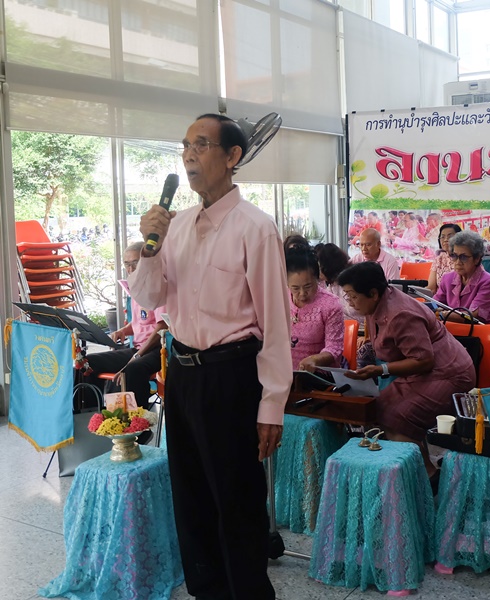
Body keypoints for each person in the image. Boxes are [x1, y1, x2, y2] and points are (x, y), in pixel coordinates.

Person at [130, 113, 292, 599]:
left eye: (201, 145)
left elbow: (276, 324)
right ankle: (208, 591)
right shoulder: (175, 227)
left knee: (237, 500)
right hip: (182, 374)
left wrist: (272, 404)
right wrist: (149, 249)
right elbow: (149, 298)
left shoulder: (256, 228)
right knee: (192, 498)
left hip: (232, 376)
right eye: (185, 146)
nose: (189, 155)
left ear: (232, 156)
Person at [339, 262, 476, 474]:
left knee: (395, 415)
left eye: (353, 296)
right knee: (378, 408)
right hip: (421, 370)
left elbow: (424, 360)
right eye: (347, 296)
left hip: (448, 372)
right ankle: (405, 470)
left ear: (373, 293)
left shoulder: (400, 314)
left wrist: (380, 370)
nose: (350, 302)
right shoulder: (375, 303)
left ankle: (426, 475)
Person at [81, 241, 165, 410]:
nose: (131, 269)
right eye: (127, 264)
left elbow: (162, 327)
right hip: (138, 349)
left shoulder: (159, 287)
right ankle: (92, 414)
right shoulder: (136, 288)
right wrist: (123, 331)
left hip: (158, 349)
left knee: (132, 370)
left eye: (135, 263)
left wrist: (138, 356)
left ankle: (134, 422)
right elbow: (140, 322)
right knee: (87, 363)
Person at [433, 231, 490, 354]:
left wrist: (441, 314)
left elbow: (473, 316)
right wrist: (430, 309)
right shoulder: (447, 278)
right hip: (453, 334)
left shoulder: (488, 281)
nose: (457, 262)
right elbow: (435, 304)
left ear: (477, 258)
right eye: (454, 255)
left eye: (463, 257)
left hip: (484, 334)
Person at [286, 248, 344, 371]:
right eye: (295, 288)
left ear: (318, 279)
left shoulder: (331, 305)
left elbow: (334, 347)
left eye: (308, 286)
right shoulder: (279, 299)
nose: (302, 293)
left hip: (317, 374)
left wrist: (315, 360)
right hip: (284, 371)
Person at [426, 223, 461, 292]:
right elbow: (431, 288)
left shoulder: (464, 258)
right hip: (440, 297)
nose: (445, 240)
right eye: (442, 237)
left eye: (450, 236)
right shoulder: (439, 259)